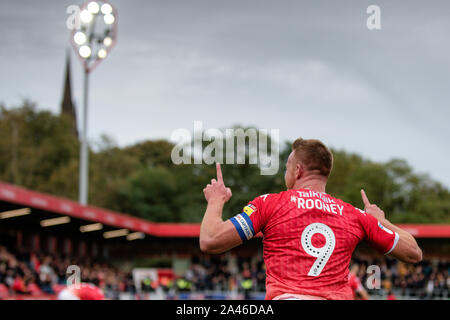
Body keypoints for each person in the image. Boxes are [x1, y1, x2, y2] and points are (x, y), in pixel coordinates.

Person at [199, 138, 422, 300]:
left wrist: (216, 201)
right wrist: (382, 222)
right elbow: (413, 253)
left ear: (297, 171)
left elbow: (210, 240)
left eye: (286, 168)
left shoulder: (270, 204)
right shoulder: (354, 215)